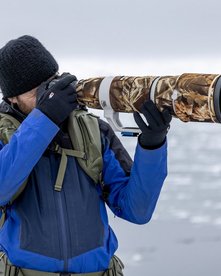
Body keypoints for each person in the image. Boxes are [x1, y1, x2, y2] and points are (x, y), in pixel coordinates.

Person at [0, 35, 172, 276]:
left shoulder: (93, 131)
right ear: (12, 98)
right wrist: (45, 119)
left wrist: (152, 145)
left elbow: (137, 210)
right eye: (35, 92)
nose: (46, 96)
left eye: (50, 84)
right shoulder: (3, 135)